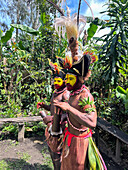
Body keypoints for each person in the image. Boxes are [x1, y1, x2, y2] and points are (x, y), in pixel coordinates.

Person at [52, 54, 107, 170]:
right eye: (66, 78)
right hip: (69, 138)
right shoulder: (72, 93)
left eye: (70, 79)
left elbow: (92, 122)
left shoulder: (85, 95)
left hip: (80, 141)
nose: (66, 82)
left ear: (80, 79)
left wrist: (69, 108)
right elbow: (72, 116)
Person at [37, 60, 70, 170]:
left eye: (58, 80)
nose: (55, 82)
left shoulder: (66, 94)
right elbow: (53, 108)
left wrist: (51, 118)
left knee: (58, 155)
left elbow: (70, 113)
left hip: (60, 130)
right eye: (54, 80)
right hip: (52, 127)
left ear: (64, 81)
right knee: (52, 152)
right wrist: (44, 106)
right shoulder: (56, 92)